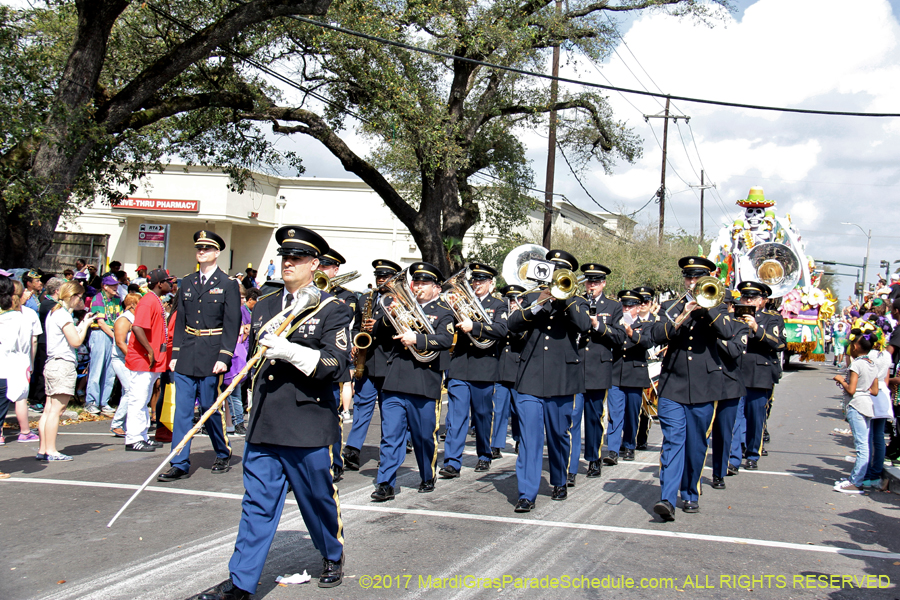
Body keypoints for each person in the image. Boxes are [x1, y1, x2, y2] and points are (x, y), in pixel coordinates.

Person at [194, 225, 348, 599]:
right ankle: (241, 582)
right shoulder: (263, 305)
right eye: (284, 257)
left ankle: (331, 553)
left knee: (317, 499)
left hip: (308, 420)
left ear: (315, 264)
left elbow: (336, 363)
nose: (288, 263)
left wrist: (290, 351)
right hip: (266, 419)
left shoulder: (332, 309)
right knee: (257, 504)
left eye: (297, 258)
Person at [507, 249, 590, 511]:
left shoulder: (577, 300)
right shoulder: (532, 297)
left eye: (561, 272)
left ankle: (559, 479)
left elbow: (584, 326)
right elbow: (513, 324)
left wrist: (564, 298)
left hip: (562, 379)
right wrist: (541, 301)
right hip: (530, 376)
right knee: (530, 438)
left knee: (558, 435)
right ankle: (526, 493)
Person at [650, 256, 733, 521]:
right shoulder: (670, 306)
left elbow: (728, 332)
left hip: (704, 387)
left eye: (698, 277)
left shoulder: (718, 306)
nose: (692, 282)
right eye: (688, 277)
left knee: (696, 445)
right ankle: (667, 498)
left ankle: (690, 493)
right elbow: (655, 334)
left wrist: (706, 309)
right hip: (673, 384)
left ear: (709, 279)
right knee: (673, 441)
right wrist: (683, 315)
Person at [159, 231, 241, 481]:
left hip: (211, 352)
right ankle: (180, 461)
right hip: (188, 351)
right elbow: (180, 319)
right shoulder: (187, 281)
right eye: (199, 248)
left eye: (207, 248)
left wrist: (224, 356)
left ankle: (222, 450)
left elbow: (232, 323)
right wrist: (175, 353)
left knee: (208, 407)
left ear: (217, 253)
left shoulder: (227, 284)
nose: (202, 252)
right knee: (182, 411)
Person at [372, 262, 454, 500]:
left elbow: (445, 339)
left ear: (436, 289)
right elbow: (379, 332)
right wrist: (392, 314)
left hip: (424, 381)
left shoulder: (444, 310)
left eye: (423, 283)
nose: (417, 287)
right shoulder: (403, 306)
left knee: (423, 435)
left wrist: (416, 338)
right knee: (390, 435)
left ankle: (427, 474)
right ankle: (385, 483)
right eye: (415, 282)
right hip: (396, 378)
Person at [440, 262, 509, 478]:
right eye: (474, 280)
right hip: (460, 365)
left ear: (490, 283)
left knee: (482, 415)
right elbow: (446, 326)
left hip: (484, 367)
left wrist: (476, 326)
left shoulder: (498, 305)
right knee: (457, 416)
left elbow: (501, 330)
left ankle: (484, 454)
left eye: (481, 281)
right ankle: (452, 461)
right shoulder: (461, 303)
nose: (476, 284)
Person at [343, 259, 402, 471]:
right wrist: (354, 342)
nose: (381, 280)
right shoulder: (365, 298)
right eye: (378, 276)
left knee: (389, 411)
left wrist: (378, 326)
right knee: (361, 406)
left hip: (389, 360)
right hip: (367, 361)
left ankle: (387, 453)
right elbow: (356, 325)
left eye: (385, 277)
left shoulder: (400, 300)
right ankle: (352, 449)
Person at [572, 262, 622, 485]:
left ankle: (593, 457)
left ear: (603, 283)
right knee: (572, 418)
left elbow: (620, 337)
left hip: (598, 369)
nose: (591, 285)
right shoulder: (575, 302)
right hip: (575, 367)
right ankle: (571, 465)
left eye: (596, 281)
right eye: (588, 281)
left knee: (594, 418)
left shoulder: (613, 307)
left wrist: (599, 326)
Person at [37, 282, 97, 461]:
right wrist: (86, 325)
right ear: (72, 296)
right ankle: (51, 450)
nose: (81, 300)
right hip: (62, 364)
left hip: (53, 363)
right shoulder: (63, 315)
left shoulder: (55, 313)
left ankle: (43, 449)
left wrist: (83, 323)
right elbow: (76, 341)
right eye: (79, 297)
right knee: (57, 409)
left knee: (49, 409)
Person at [730, 281, 785, 472]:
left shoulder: (772, 318)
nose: (747, 301)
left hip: (759, 375)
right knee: (734, 419)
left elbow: (778, 344)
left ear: (762, 301)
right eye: (745, 297)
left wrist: (756, 328)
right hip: (736, 373)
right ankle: (733, 459)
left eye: (752, 298)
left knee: (755, 419)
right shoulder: (734, 316)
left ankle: (753, 453)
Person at [122, 269, 175, 452]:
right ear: (160, 283)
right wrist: (149, 350)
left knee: (144, 399)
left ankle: (142, 435)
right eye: (168, 281)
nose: (170, 284)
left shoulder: (155, 300)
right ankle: (133, 438)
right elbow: (137, 327)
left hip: (152, 360)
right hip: (143, 359)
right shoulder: (147, 301)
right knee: (138, 399)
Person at [316, 248, 356, 481]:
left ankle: (335, 462)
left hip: (332, 360)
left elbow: (344, 319)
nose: (322, 270)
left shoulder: (346, 296)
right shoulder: (307, 291)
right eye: (319, 265)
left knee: (332, 415)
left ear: (335, 270)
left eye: (326, 267)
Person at [832, 329, 879, 494]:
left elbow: (851, 390)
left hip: (857, 405)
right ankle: (856, 478)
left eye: (853, 344)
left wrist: (841, 380)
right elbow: (874, 390)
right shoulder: (872, 363)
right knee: (864, 444)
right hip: (867, 404)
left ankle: (856, 481)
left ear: (857, 347)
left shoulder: (857, 364)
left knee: (861, 446)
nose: (850, 346)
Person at [709, 293, 747, 490]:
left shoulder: (739, 326)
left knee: (724, 433)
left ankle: (719, 472)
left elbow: (734, 350)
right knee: (701, 434)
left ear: (732, 307)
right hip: (705, 384)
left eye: (725, 304)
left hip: (729, 386)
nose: (722, 307)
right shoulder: (704, 324)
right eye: (718, 303)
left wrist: (714, 338)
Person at [612, 289, 655, 461]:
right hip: (616, 373)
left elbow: (648, 342)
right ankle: (614, 450)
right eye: (624, 306)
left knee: (632, 414)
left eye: (631, 306)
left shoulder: (646, 325)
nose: (627, 309)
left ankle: (629, 444)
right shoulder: (616, 323)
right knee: (615, 414)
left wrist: (632, 333)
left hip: (635, 374)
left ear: (637, 308)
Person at [0, 277, 36, 448]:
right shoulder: (21, 317)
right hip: (12, 367)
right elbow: (28, 343)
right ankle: (24, 431)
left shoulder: (18, 317)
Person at [493, 285, 527, 458]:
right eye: (510, 299)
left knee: (518, 410)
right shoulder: (501, 314)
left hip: (518, 369)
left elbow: (521, 336)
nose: (513, 303)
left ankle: (520, 439)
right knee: (499, 409)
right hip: (501, 368)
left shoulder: (524, 317)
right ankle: (496, 445)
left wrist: (515, 318)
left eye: (516, 299)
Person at [84, 275, 123, 415]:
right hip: (100, 333)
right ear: (105, 286)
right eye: (112, 285)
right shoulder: (98, 299)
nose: (115, 287)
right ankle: (91, 401)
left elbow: (118, 318)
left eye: (116, 284)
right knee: (97, 369)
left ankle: (104, 401)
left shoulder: (117, 299)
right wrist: (116, 337)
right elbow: (100, 322)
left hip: (112, 333)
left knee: (110, 370)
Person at [108, 293, 141, 437]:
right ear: (132, 304)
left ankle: (128, 423)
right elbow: (121, 342)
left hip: (129, 359)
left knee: (128, 391)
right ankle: (117, 424)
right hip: (121, 359)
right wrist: (132, 357)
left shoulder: (134, 318)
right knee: (130, 390)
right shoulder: (124, 319)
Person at [29, 277, 63, 411]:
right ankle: (37, 399)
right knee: (43, 370)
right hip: (44, 341)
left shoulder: (51, 302)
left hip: (49, 341)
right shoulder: (48, 304)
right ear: (56, 290)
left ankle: (42, 398)